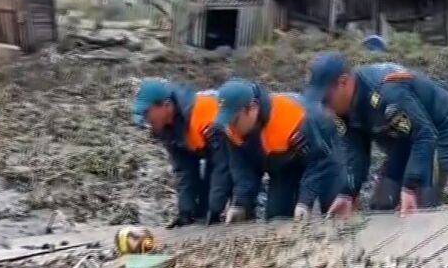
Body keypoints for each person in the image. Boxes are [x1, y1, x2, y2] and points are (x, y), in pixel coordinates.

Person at [305, 51, 448, 215]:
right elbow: (356, 153)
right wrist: (347, 193)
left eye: (326, 99)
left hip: (438, 130)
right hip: (403, 138)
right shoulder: (343, 109)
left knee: (419, 204)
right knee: (383, 205)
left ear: (343, 82)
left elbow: (425, 135)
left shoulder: (387, 91)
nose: (325, 108)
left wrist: (410, 187)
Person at [213, 78, 354, 222]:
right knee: (276, 218)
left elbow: (320, 161)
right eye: (227, 121)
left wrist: (305, 201)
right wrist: (240, 204)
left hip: (325, 155)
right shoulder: (232, 130)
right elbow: (242, 170)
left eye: (234, 120)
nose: (230, 127)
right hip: (284, 165)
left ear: (253, 107)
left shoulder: (292, 117)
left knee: (334, 212)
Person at [133, 78, 232, 227]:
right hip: (213, 154)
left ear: (166, 105)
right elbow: (184, 169)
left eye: (147, 113)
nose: (145, 119)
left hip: (244, 152)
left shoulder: (203, 113)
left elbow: (223, 164)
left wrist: (215, 209)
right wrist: (185, 212)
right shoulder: (165, 127)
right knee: (200, 215)